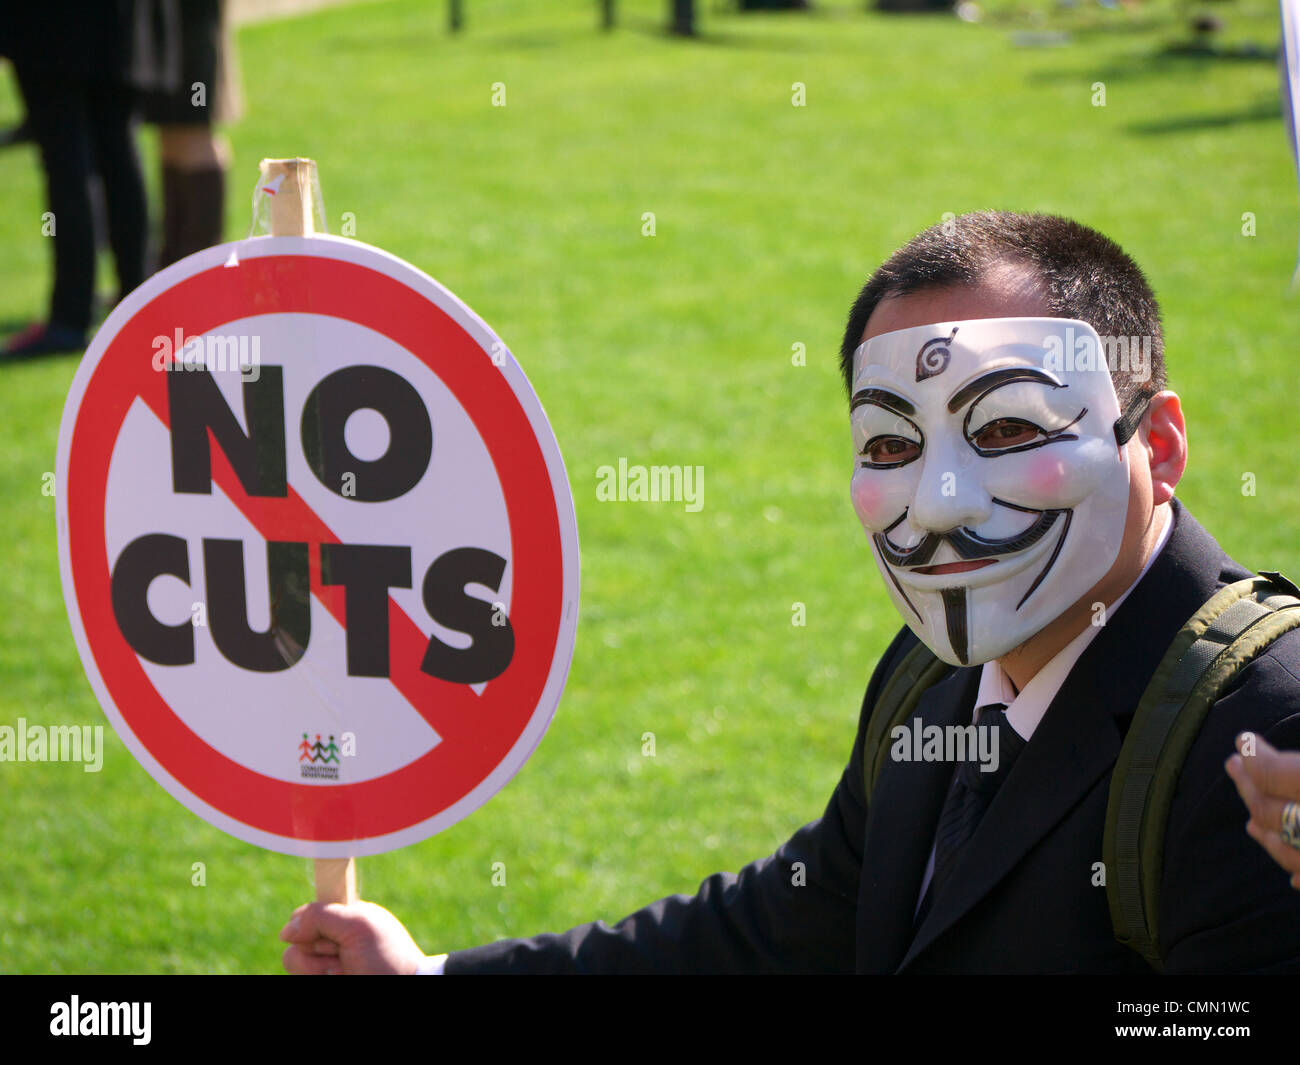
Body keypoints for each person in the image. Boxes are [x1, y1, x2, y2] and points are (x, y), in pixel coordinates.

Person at [280, 211, 1300, 974]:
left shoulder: (1264, 736)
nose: (937, 504)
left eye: (1004, 431)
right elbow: (786, 928)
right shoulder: (930, 679)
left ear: (1156, 445)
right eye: (891, 444)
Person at [1, 1, 149, 358]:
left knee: (66, 155)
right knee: (117, 144)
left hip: (52, 23)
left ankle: (71, 315)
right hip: (118, 18)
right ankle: (140, 300)